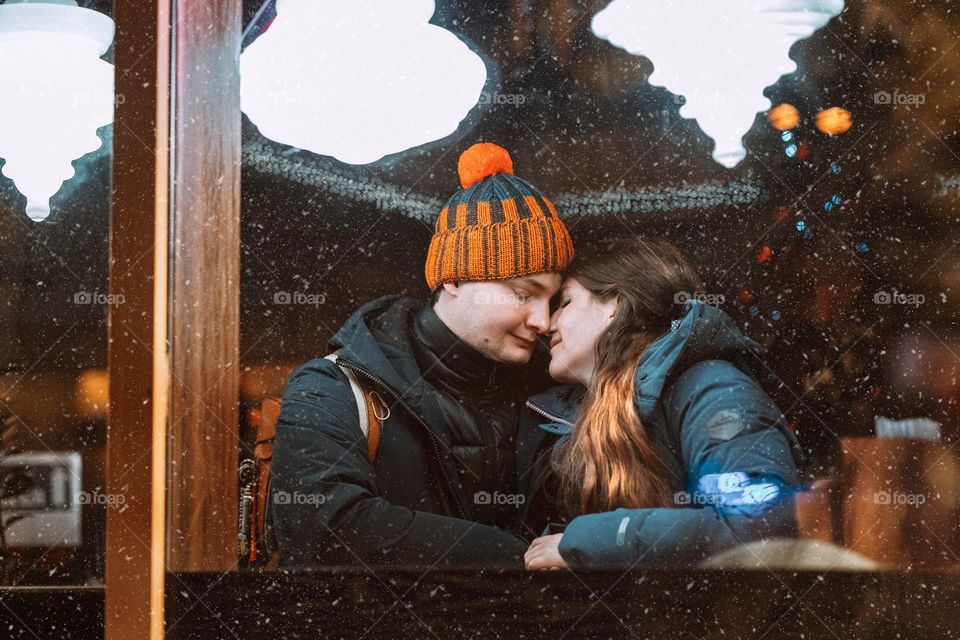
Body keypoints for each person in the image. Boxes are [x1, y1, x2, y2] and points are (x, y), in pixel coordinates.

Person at [270, 142, 575, 567]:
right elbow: (322, 528)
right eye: (524, 293)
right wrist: (518, 558)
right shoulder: (340, 386)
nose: (543, 320)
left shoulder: (557, 397)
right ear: (454, 279)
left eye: (553, 300)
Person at [518, 237, 803, 570]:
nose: (548, 323)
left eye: (564, 302)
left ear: (614, 305)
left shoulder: (711, 389)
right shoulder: (582, 414)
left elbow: (761, 525)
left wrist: (592, 540)